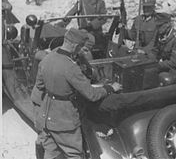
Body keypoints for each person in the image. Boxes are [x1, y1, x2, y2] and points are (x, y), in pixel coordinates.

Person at [31, 28, 122, 159]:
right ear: (75, 45)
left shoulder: (48, 58)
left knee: (51, 153)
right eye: (80, 47)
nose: (80, 50)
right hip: (65, 119)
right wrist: (110, 88)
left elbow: (39, 85)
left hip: (47, 117)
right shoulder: (71, 67)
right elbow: (91, 94)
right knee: (74, 154)